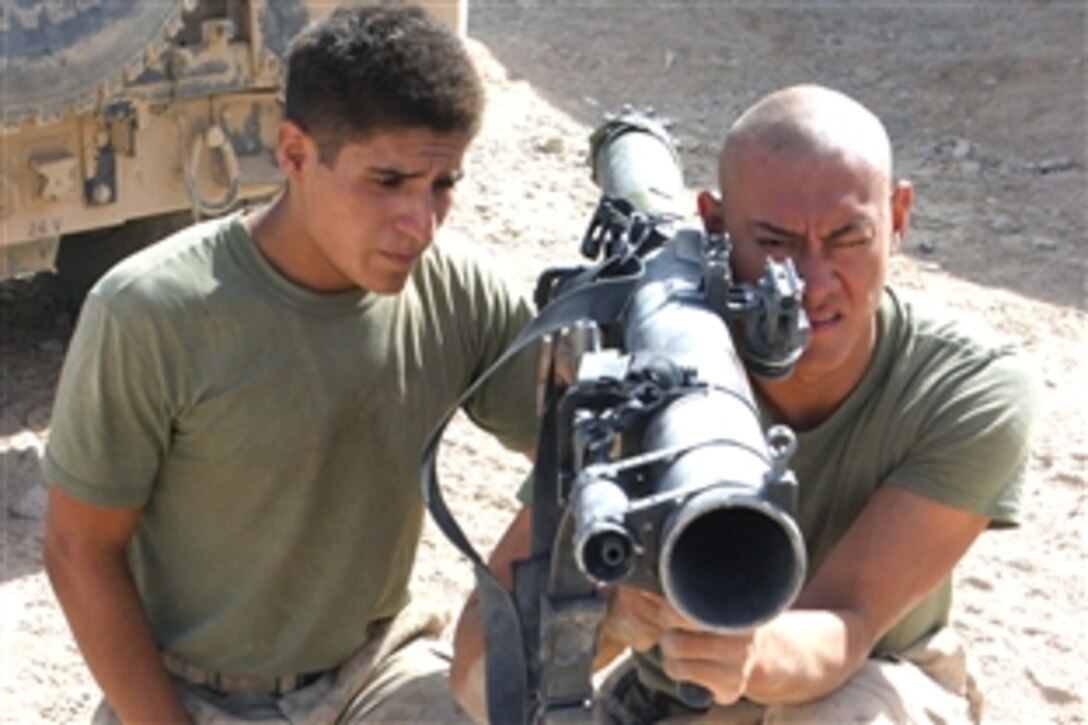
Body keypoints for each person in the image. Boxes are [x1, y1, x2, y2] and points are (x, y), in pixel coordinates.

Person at [450, 83, 1035, 723]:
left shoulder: (964, 388)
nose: (812, 284)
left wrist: (744, 654)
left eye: (847, 238)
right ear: (716, 229)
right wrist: (609, 619)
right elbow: (480, 674)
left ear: (897, 219)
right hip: (671, 696)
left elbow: (849, 619)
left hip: (873, 680)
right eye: (776, 243)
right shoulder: (648, 371)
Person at [41, 3, 539, 723]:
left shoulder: (458, 290)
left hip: (376, 669)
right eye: (388, 181)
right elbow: (77, 549)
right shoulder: (152, 312)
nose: (421, 223)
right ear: (295, 154)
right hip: (192, 690)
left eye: (443, 185)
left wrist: (490, 611)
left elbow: (581, 452)